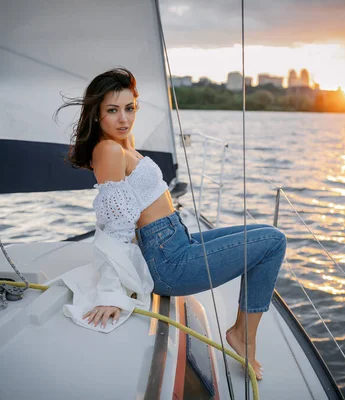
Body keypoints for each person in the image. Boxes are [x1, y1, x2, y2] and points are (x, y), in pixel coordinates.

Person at [59, 68, 286, 380]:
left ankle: (241, 331)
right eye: (112, 111)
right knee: (273, 241)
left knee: (267, 234)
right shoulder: (108, 149)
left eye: (129, 108)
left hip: (180, 241)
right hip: (170, 263)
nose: (124, 119)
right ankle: (242, 336)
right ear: (97, 115)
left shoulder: (121, 143)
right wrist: (111, 293)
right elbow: (116, 226)